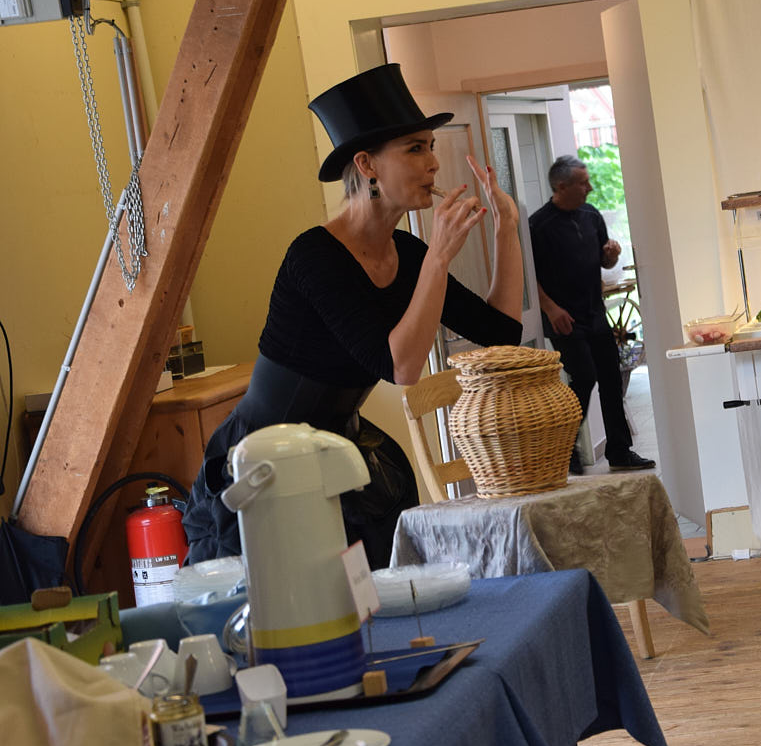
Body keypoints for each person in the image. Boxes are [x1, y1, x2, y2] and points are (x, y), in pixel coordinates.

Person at [182, 63, 524, 568]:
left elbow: (503, 333)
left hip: (339, 452)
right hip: (265, 462)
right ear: (366, 165)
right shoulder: (314, 256)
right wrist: (438, 258)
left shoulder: (409, 254)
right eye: (415, 148)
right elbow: (402, 367)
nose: (433, 163)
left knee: (371, 594)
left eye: (431, 146)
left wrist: (506, 229)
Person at [529, 155, 654, 474]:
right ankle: (565, 449)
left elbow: (604, 261)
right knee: (584, 377)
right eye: (583, 183)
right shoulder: (537, 225)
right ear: (561, 187)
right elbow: (528, 276)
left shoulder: (591, 215)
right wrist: (550, 308)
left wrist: (611, 255)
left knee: (611, 378)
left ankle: (619, 451)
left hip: (595, 312)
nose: (590, 188)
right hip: (564, 319)